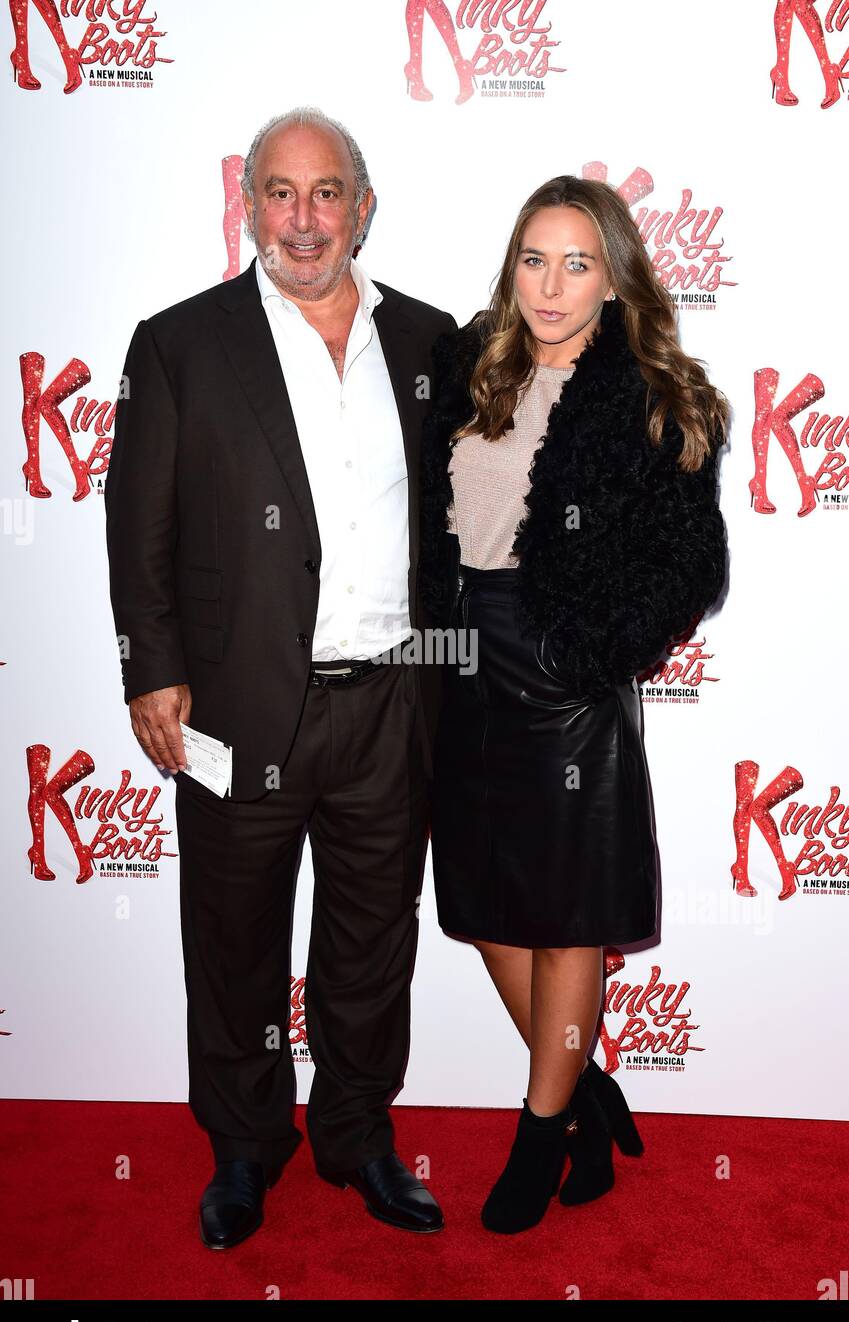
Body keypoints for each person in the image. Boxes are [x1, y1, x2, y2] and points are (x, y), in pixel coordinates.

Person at [104, 106, 457, 1249]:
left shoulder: (432, 343)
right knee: (236, 940)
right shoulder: (179, 344)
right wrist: (150, 670)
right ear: (246, 203)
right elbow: (137, 526)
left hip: (393, 702)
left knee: (370, 941)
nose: (304, 221)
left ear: (364, 206)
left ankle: (356, 1134)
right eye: (280, 193)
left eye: (327, 193)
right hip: (238, 707)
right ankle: (246, 1147)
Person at [418, 174, 730, 1235]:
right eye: (534, 260)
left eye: (577, 263)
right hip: (464, 660)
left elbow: (694, 560)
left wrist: (594, 648)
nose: (551, 286)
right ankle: (590, 1098)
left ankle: (540, 1133)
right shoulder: (470, 367)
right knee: (478, 905)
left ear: (614, 277)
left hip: (567, 676)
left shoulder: (648, 389)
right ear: (512, 269)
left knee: (565, 926)